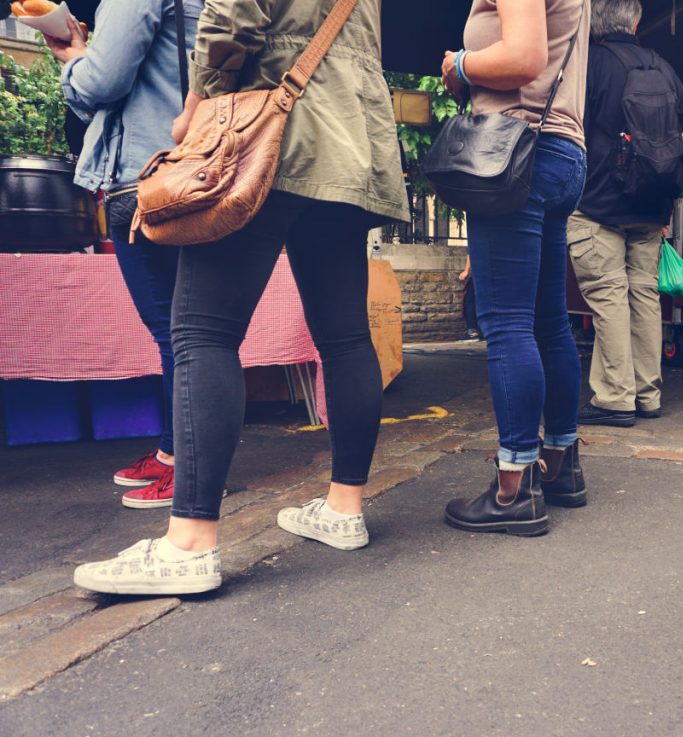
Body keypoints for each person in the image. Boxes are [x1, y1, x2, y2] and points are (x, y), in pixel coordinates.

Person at [73, 0, 408, 595]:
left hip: (269, 127)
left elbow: (231, 19)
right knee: (346, 334)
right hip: (352, 138)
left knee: (203, 332)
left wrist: (195, 110)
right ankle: (344, 508)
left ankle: (190, 544)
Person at [441, 0, 591, 537]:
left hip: (513, 148)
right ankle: (561, 464)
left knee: (506, 322)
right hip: (560, 150)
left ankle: (513, 488)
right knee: (548, 321)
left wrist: (459, 65)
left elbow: (524, 57)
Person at [43, 0, 201, 509]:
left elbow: (100, 84)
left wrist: (74, 58)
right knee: (182, 331)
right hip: (183, 169)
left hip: (148, 178)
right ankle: (177, 453)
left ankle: (194, 470)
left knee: (180, 334)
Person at [568, 0, 683, 428]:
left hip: (597, 202)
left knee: (608, 297)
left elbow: (569, 128)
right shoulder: (663, 67)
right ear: (636, 22)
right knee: (644, 296)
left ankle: (615, 398)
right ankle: (647, 393)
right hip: (651, 203)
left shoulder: (589, 64)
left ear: (592, 23)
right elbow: (681, 133)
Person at [458, 255, 482, 342]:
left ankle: (473, 332)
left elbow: (471, 252)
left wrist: (466, 271)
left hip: (481, 272)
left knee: (470, 300)